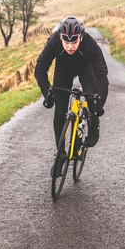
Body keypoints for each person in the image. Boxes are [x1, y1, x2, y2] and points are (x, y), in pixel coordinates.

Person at [35, 16, 109, 177]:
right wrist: (47, 92)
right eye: (66, 42)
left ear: (81, 37)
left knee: (92, 99)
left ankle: (93, 123)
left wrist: (99, 102)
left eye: (74, 42)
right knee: (59, 113)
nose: (70, 46)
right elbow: (40, 69)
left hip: (85, 68)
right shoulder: (54, 41)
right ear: (60, 37)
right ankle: (61, 156)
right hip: (63, 71)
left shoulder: (89, 44)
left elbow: (102, 74)